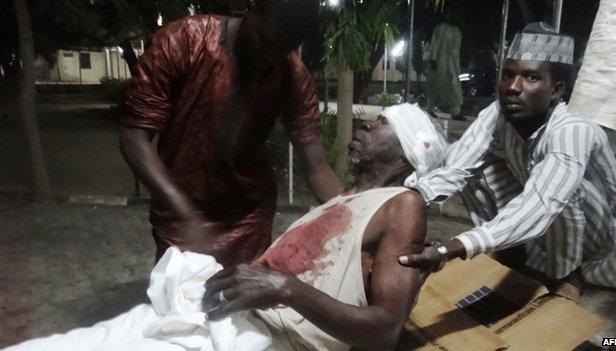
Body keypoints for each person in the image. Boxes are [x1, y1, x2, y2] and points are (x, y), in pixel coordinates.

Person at [6, 104, 448, 351]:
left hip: (271, 338)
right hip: (239, 317)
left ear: (411, 151)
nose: (367, 122)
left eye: (383, 122)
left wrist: (284, 288)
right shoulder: (349, 197)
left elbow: (386, 329)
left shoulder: (404, 205)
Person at [399, 22, 616, 294]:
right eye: (507, 75)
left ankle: (566, 277)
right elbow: (456, 168)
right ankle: (513, 252)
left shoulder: (572, 132)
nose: (512, 87)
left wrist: (453, 247)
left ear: (556, 91)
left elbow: (542, 203)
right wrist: (400, 199)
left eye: (531, 77)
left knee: (560, 188)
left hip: (606, 244)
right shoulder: (497, 114)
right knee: (473, 167)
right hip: (546, 235)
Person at [119, 0, 343, 267]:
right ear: (252, 9)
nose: (268, 58)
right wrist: (183, 211)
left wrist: (358, 215)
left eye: (281, 51)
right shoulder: (183, 41)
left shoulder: (292, 75)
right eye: (265, 41)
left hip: (248, 216)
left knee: (242, 304)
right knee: (179, 298)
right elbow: (133, 137)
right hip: (180, 208)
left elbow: (317, 167)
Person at [427, 8, 463, 118]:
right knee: (435, 88)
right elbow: (435, 43)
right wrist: (433, 59)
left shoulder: (457, 31)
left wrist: (457, 68)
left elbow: (456, 52)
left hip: (451, 66)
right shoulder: (441, 28)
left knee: (454, 88)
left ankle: (455, 112)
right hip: (440, 64)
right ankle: (430, 108)